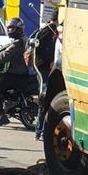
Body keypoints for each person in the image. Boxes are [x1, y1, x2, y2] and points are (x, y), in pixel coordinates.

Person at [0, 17, 28, 129]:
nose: (10, 30)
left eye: (12, 28)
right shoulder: (22, 39)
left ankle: (1, 116)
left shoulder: (19, 43)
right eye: (9, 28)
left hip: (16, 74)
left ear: (19, 29)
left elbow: (5, 56)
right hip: (19, 72)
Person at [27, 9, 59, 139]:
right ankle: (39, 130)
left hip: (46, 67)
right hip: (43, 68)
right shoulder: (48, 30)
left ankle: (41, 130)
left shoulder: (52, 30)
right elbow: (40, 48)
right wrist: (50, 60)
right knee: (44, 97)